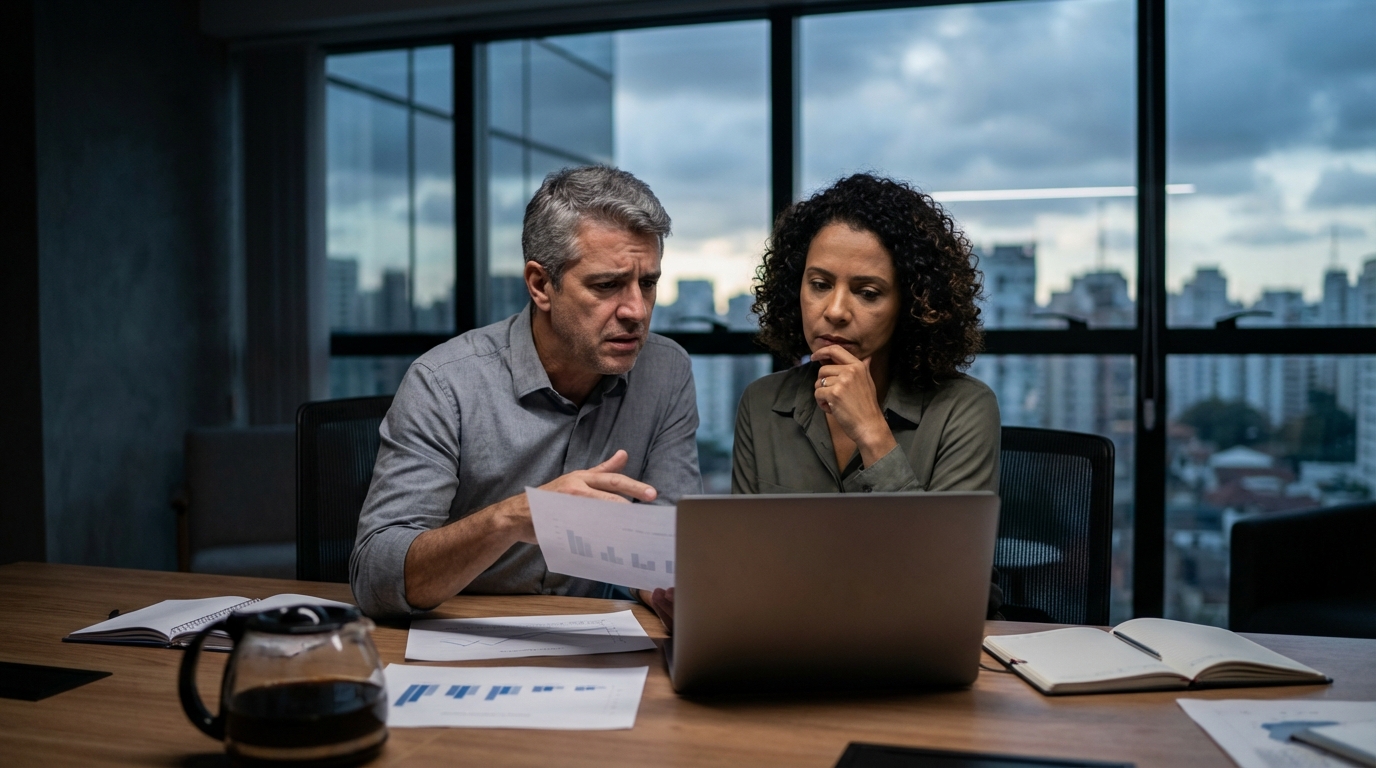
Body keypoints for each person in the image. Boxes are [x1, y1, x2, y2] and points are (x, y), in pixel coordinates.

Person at [648, 173, 1001, 627]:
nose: (834, 310)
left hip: (913, 648)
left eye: (867, 292)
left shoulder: (965, 408)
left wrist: (874, 434)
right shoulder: (763, 403)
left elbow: (952, 585)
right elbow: (749, 569)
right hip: (788, 647)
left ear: (912, 306)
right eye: (819, 284)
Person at [350, 166, 702, 620]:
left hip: (597, 640)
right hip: (462, 637)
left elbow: (669, 544)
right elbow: (376, 578)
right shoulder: (445, 381)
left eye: (648, 283)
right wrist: (514, 518)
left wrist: (663, 589)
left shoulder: (666, 370)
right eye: (607, 285)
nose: (636, 310)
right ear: (540, 285)